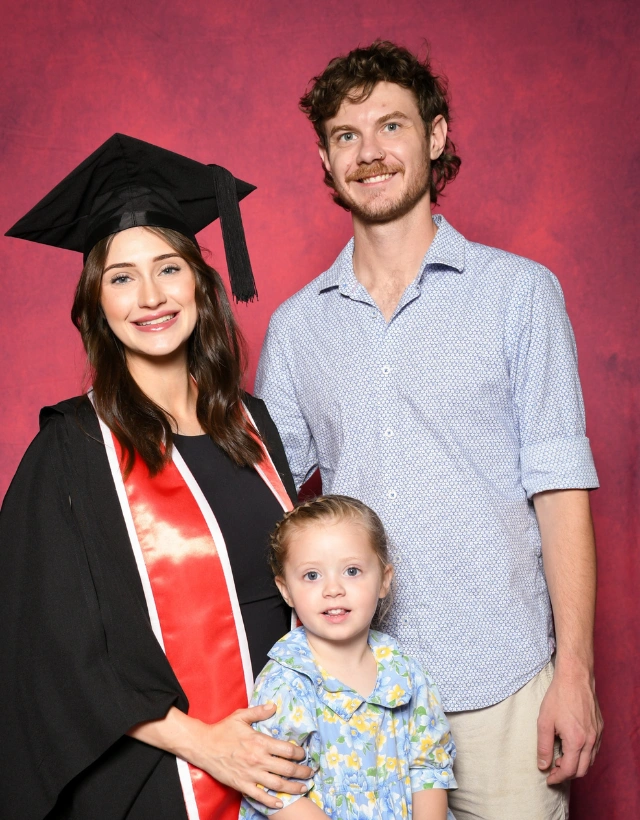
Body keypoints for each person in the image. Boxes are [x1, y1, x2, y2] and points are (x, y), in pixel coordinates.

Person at [255, 41, 603, 819]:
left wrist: (573, 671)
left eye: (391, 126)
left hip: (501, 684)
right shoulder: (296, 327)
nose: (370, 152)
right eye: (347, 135)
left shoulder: (519, 296)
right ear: (325, 156)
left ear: (435, 137)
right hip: (355, 700)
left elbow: (560, 490)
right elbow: (267, 500)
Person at [0, 134, 312, 820]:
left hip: (291, 770)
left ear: (200, 283)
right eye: (121, 277)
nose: (150, 296)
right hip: (157, 783)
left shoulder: (252, 424)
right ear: (97, 304)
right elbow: (50, 653)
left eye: (168, 269)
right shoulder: (72, 450)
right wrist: (205, 745)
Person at [240, 495, 457, 820]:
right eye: (312, 575)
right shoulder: (285, 681)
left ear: (384, 579)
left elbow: (429, 765)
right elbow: (275, 789)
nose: (333, 589)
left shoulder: (405, 671)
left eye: (352, 571)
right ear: (286, 590)